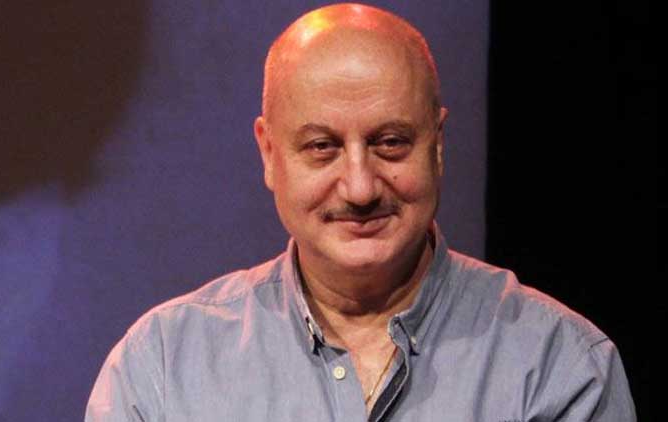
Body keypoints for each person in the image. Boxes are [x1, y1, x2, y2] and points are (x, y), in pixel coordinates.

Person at [86, 3, 636, 421]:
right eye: (322, 147)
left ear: (438, 146)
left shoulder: (559, 364)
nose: (359, 187)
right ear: (270, 154)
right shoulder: (162, 367)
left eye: (390, 142)